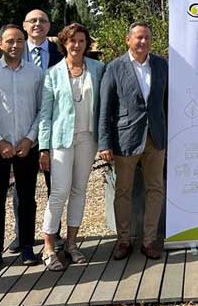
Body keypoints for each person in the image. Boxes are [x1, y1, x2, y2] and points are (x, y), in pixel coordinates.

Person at [0, 24, 44, 272]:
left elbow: (42, 111)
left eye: (20, 41)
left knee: (27, 199)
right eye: (10, 41)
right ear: (0, 44)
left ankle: (26, 247)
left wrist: (29, 139)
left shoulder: (35, 74)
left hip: (27, 147)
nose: (15, 45)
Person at [38, 23, 109, 271]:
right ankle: (48, 247)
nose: (76, 45)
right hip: (61, 140)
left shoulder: (99, 69)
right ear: (64, 44)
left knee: (79, 190)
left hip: (88, 138)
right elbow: (45, 114)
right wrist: (43, 148)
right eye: (72, 41)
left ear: (86, 43)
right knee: (59, 192)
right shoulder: (52, 74)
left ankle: (71, 244)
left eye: (81, 40)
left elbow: (105, 105)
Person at [99, 22, 168, 261]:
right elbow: (105, 108)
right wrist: (104, 143)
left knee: (155, 189)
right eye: (138, 37)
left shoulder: (161, 65)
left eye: (147, 37)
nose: (143, 42)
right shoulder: (115, 67)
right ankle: (123, 240)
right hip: (125, 138)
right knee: (123, 191)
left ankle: (149, 241)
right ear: (128, 39)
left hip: (155, 138)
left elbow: (166, 103)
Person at [9, 9, 65, 252]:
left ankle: (55, 233)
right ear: (24, 25)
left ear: (49, 25)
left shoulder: (60, 53)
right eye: (32, 20)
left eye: (43, 21)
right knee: (23, 186)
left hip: (55, 127)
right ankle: (22, 236)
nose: (38, 24)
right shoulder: (14, 51)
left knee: (57, 184)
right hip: (22, 130)